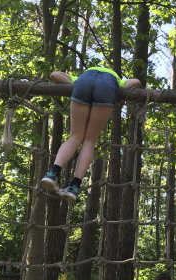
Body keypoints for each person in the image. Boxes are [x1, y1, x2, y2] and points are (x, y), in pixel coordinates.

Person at [40, 67, 141, 202]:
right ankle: (74, 186)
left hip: (83, 83)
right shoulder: (116, 79)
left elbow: (54, 75)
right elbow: (136, 82)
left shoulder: (82, 76)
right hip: (108, 87)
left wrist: (75, 84)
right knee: (89, 140)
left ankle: (52, 173)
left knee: (75, 137)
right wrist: (119, 87)